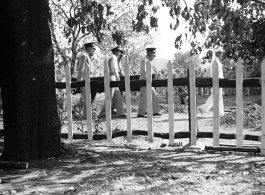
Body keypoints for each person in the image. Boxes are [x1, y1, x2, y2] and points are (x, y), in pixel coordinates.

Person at [99, 46, 126, 118]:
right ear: (116, 51)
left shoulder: (110, 57)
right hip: (112, 76)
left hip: (111, 76)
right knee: (110, 95)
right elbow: (113, 67)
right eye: (119, 52)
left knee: (118, 95)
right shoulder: (113, 57)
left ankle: (120, 112)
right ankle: (103, 112)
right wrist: (117, 76)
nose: (119, 53)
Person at [198, 47, 225, 117]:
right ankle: (204, 109)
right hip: (216, 81)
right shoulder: (215, 61)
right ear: (217, 53)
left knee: (218, 97)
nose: (221, 54)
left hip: (219, 81)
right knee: (215, 96)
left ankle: (219, 112)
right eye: (220, 53)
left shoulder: (216, 61)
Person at [137, 46, 162, 118]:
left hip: (149, 81)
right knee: (143, 97)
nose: (154, 56)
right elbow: (145, 71)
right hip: (144, 80)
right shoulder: (144, 60)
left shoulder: (148, 61)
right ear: (149, 53)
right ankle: (140, 113)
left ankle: (155, 111)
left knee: (154, 96)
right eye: (153, 53)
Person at [76, 42, 97, 118]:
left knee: (86, 97)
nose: (93, 50)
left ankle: (76, 111)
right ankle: (86, 115)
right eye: (92, 48)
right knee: (85, 97)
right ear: (89, 48)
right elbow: (80, 69)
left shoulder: (87, 56)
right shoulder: (84, 55)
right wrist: (80, 80)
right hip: (83, 79)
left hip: (87, 79)